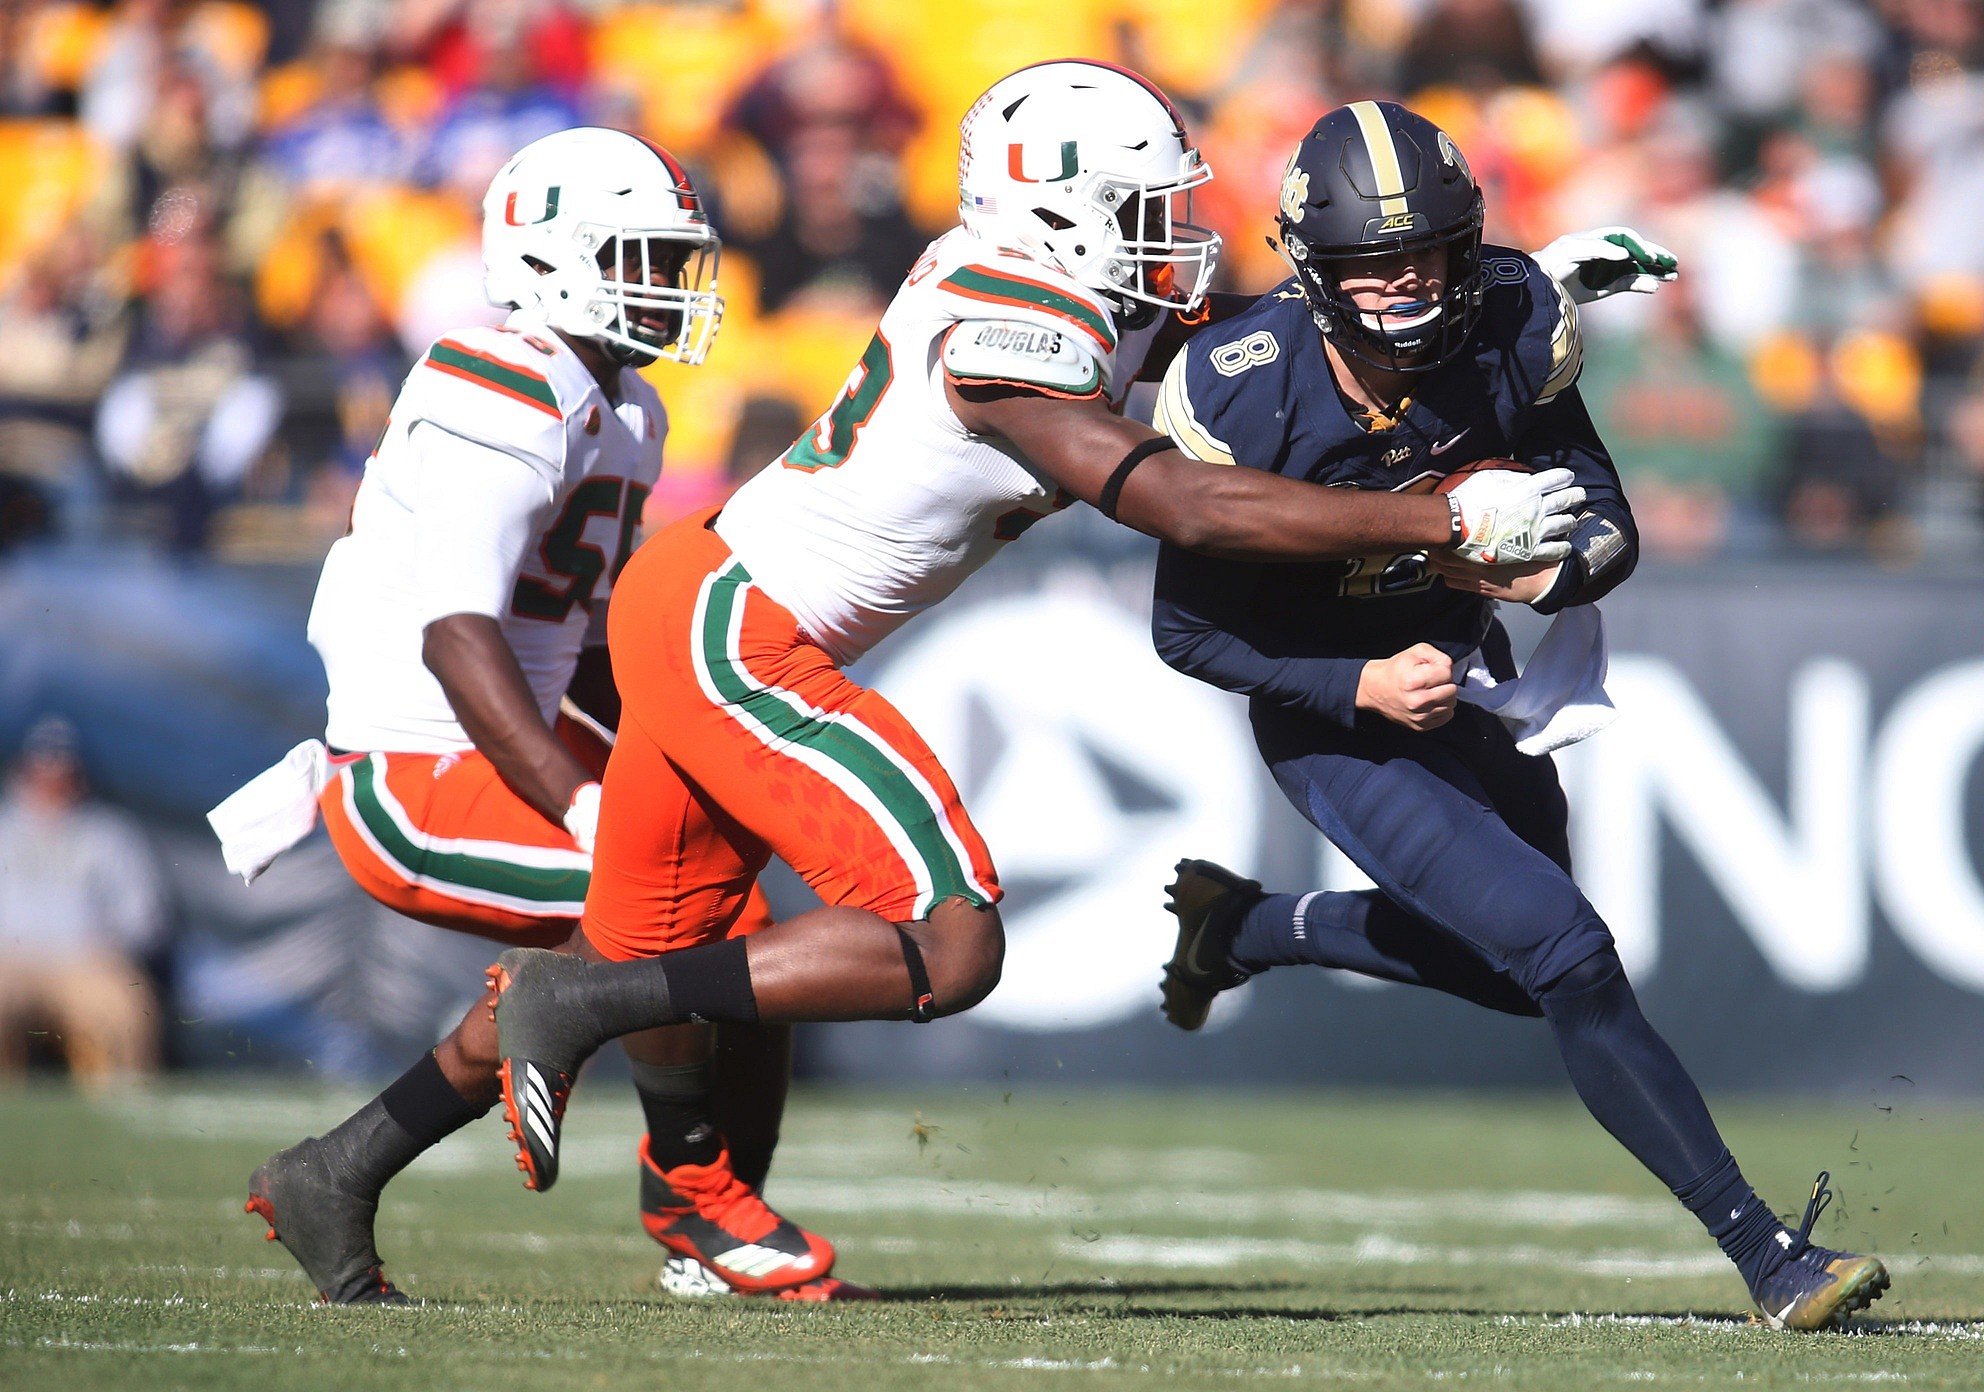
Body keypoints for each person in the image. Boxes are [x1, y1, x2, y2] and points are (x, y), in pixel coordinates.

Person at [467, 62, 1588, 1198]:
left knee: (646, 937)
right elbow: (1181, 503)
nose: (1177, 235)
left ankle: (341, 1175)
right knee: (950, 945)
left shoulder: (1050, 292)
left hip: (714, 606)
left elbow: (1288, 343)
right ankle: (580, 1013)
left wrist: (1503, 299)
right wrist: (1437, 518)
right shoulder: (1012, 327)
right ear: (1059, 210)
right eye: (1149, 213)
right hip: (732, 624)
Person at [1146, 101, 1888, 1332]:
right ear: (1312, 270)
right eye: (1376, 266)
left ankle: (1247, 929)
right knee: (1568, 955)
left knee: (1520, 974)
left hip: (1465, 670)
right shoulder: (1247, 386)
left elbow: (1605, 518)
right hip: (1334, 704)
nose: (1410, 289)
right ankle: (1768, 1258)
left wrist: (1546, 566)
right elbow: (1188, 631)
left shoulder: (1511, 318)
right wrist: (1355, 685)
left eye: (1430, 255)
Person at [215, 127, 849, 1305]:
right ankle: (700, 1202)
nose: (668, 284)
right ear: (555, 259)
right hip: (414, 769)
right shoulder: (499, 377)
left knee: (730, 915)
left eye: (673, 257)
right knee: (685, 928)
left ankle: (341, 1177)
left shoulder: (628, 407)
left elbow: (589, 640)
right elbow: (456, 636)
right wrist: (586, 800)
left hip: (516, 741)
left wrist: (695, 743)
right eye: (642, 256)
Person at [0, 716, 167, 1089]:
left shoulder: (110, 834)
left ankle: (120, 1115)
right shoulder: (4, 829)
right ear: (23, 769)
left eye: (63, 769)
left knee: (123, 1006)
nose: (52, 780)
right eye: (43, 767)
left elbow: (142, 917)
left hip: (85, 958)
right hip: (8, 957)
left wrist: (112, 949)